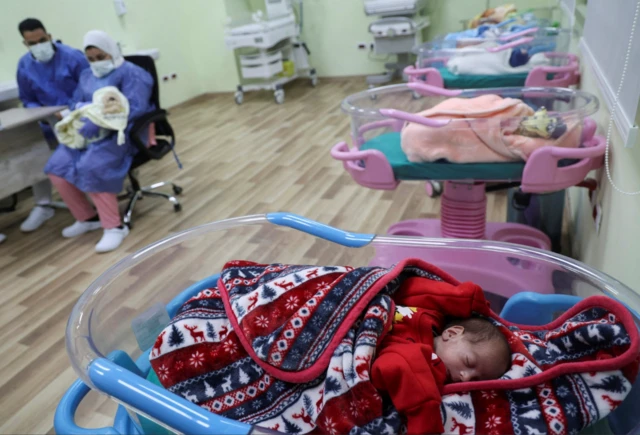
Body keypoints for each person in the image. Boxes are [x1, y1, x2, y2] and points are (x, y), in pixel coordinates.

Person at [44, 30, 154, 253]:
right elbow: (76, 100)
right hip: (89, 131)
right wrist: (73, 114)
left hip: (125, 132)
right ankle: (87, 218)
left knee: (92, 165)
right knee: (56, 166)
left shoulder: (133, 74)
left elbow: (136, 108)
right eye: (91, 59)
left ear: (112, 52)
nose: (97, 63)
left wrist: (103, 121)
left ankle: (114, 227)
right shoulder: (87, 75)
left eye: (101, 57)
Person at [371, 276, 511, 434]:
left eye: (475, 379)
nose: (465, 378)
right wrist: (467, 300)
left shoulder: (430, 370)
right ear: (452, 334)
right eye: (468, 361)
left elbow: (396, 365)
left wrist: (425, 419)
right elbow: (408, 288)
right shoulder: (432, 315)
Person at [15, 18, 90, 234]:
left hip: (79, 119)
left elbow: (88, 87)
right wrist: (43, 113)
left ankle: (92, 204)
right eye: (32, 43)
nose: (39, 45)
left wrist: (70, 110)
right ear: (25, 44)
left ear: (48, 36)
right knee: (34, 152)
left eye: (42, 40)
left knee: (79, 159)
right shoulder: (24, 65)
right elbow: (27, 99)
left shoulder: (72, 57)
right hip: (48, 125)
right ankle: (44, 204)